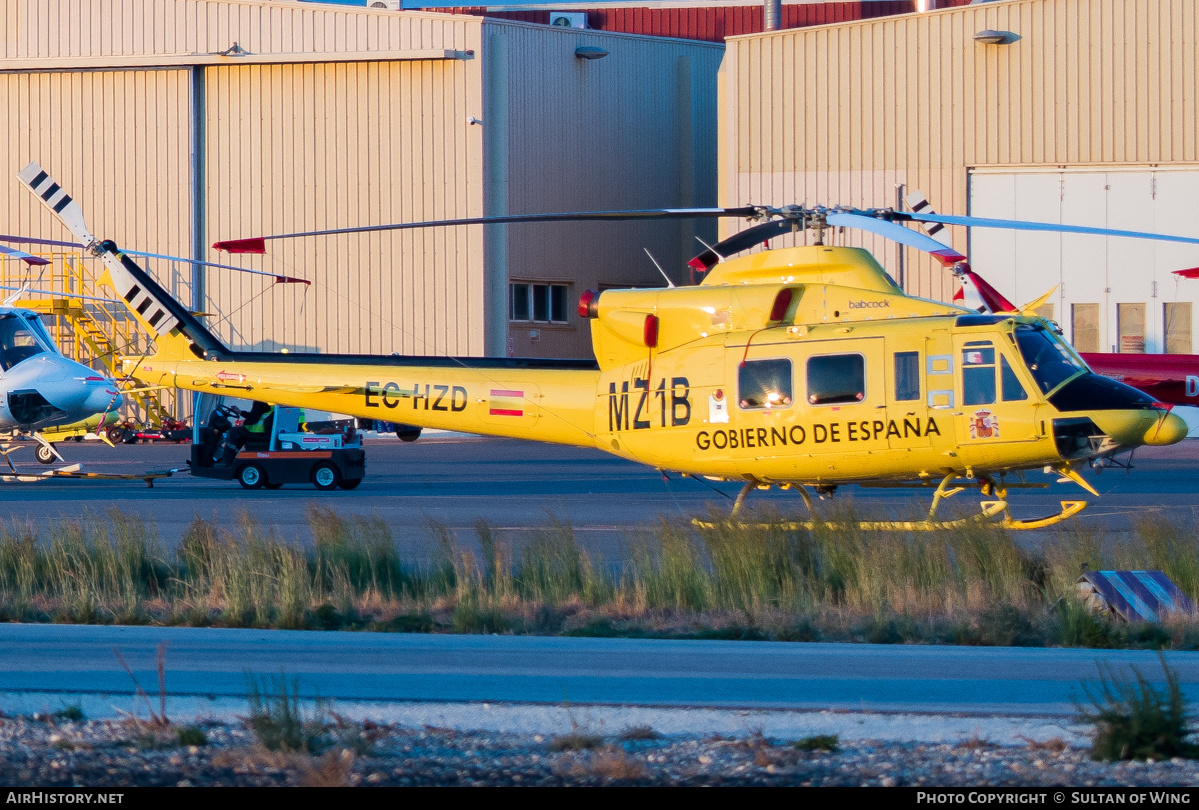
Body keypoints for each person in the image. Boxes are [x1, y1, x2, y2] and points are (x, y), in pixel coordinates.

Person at [217, 401, 274, 466]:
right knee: (239, 433)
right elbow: (255, 415)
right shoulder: (270, 401)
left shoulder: (260, 401)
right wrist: (240, 412)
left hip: (257, 431)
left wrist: (243, 424)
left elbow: (253, 419)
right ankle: (233, 459)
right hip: (264, 431)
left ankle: (226, 462)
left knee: (232, 432)